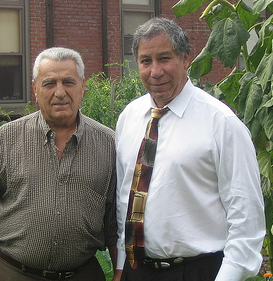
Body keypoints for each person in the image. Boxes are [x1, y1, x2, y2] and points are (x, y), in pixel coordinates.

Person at [113, 17, 265, 281]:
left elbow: (246, 219)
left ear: (185, 59)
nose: (155, 71)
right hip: (137, 272)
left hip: (199, 271)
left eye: (164, 58)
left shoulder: (222, 124)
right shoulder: (129, 117)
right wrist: (121, 265)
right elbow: (125, 197)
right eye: (145, 61)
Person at [0, 47, 119, 281]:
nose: (60, 92)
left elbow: (115, 223)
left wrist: (120, 271)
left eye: (68, 82)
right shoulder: (6, 138)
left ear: (83, 86)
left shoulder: (108, 144)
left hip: (82, 274)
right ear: (35, 89)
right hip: (11, 273)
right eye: (49, 83)